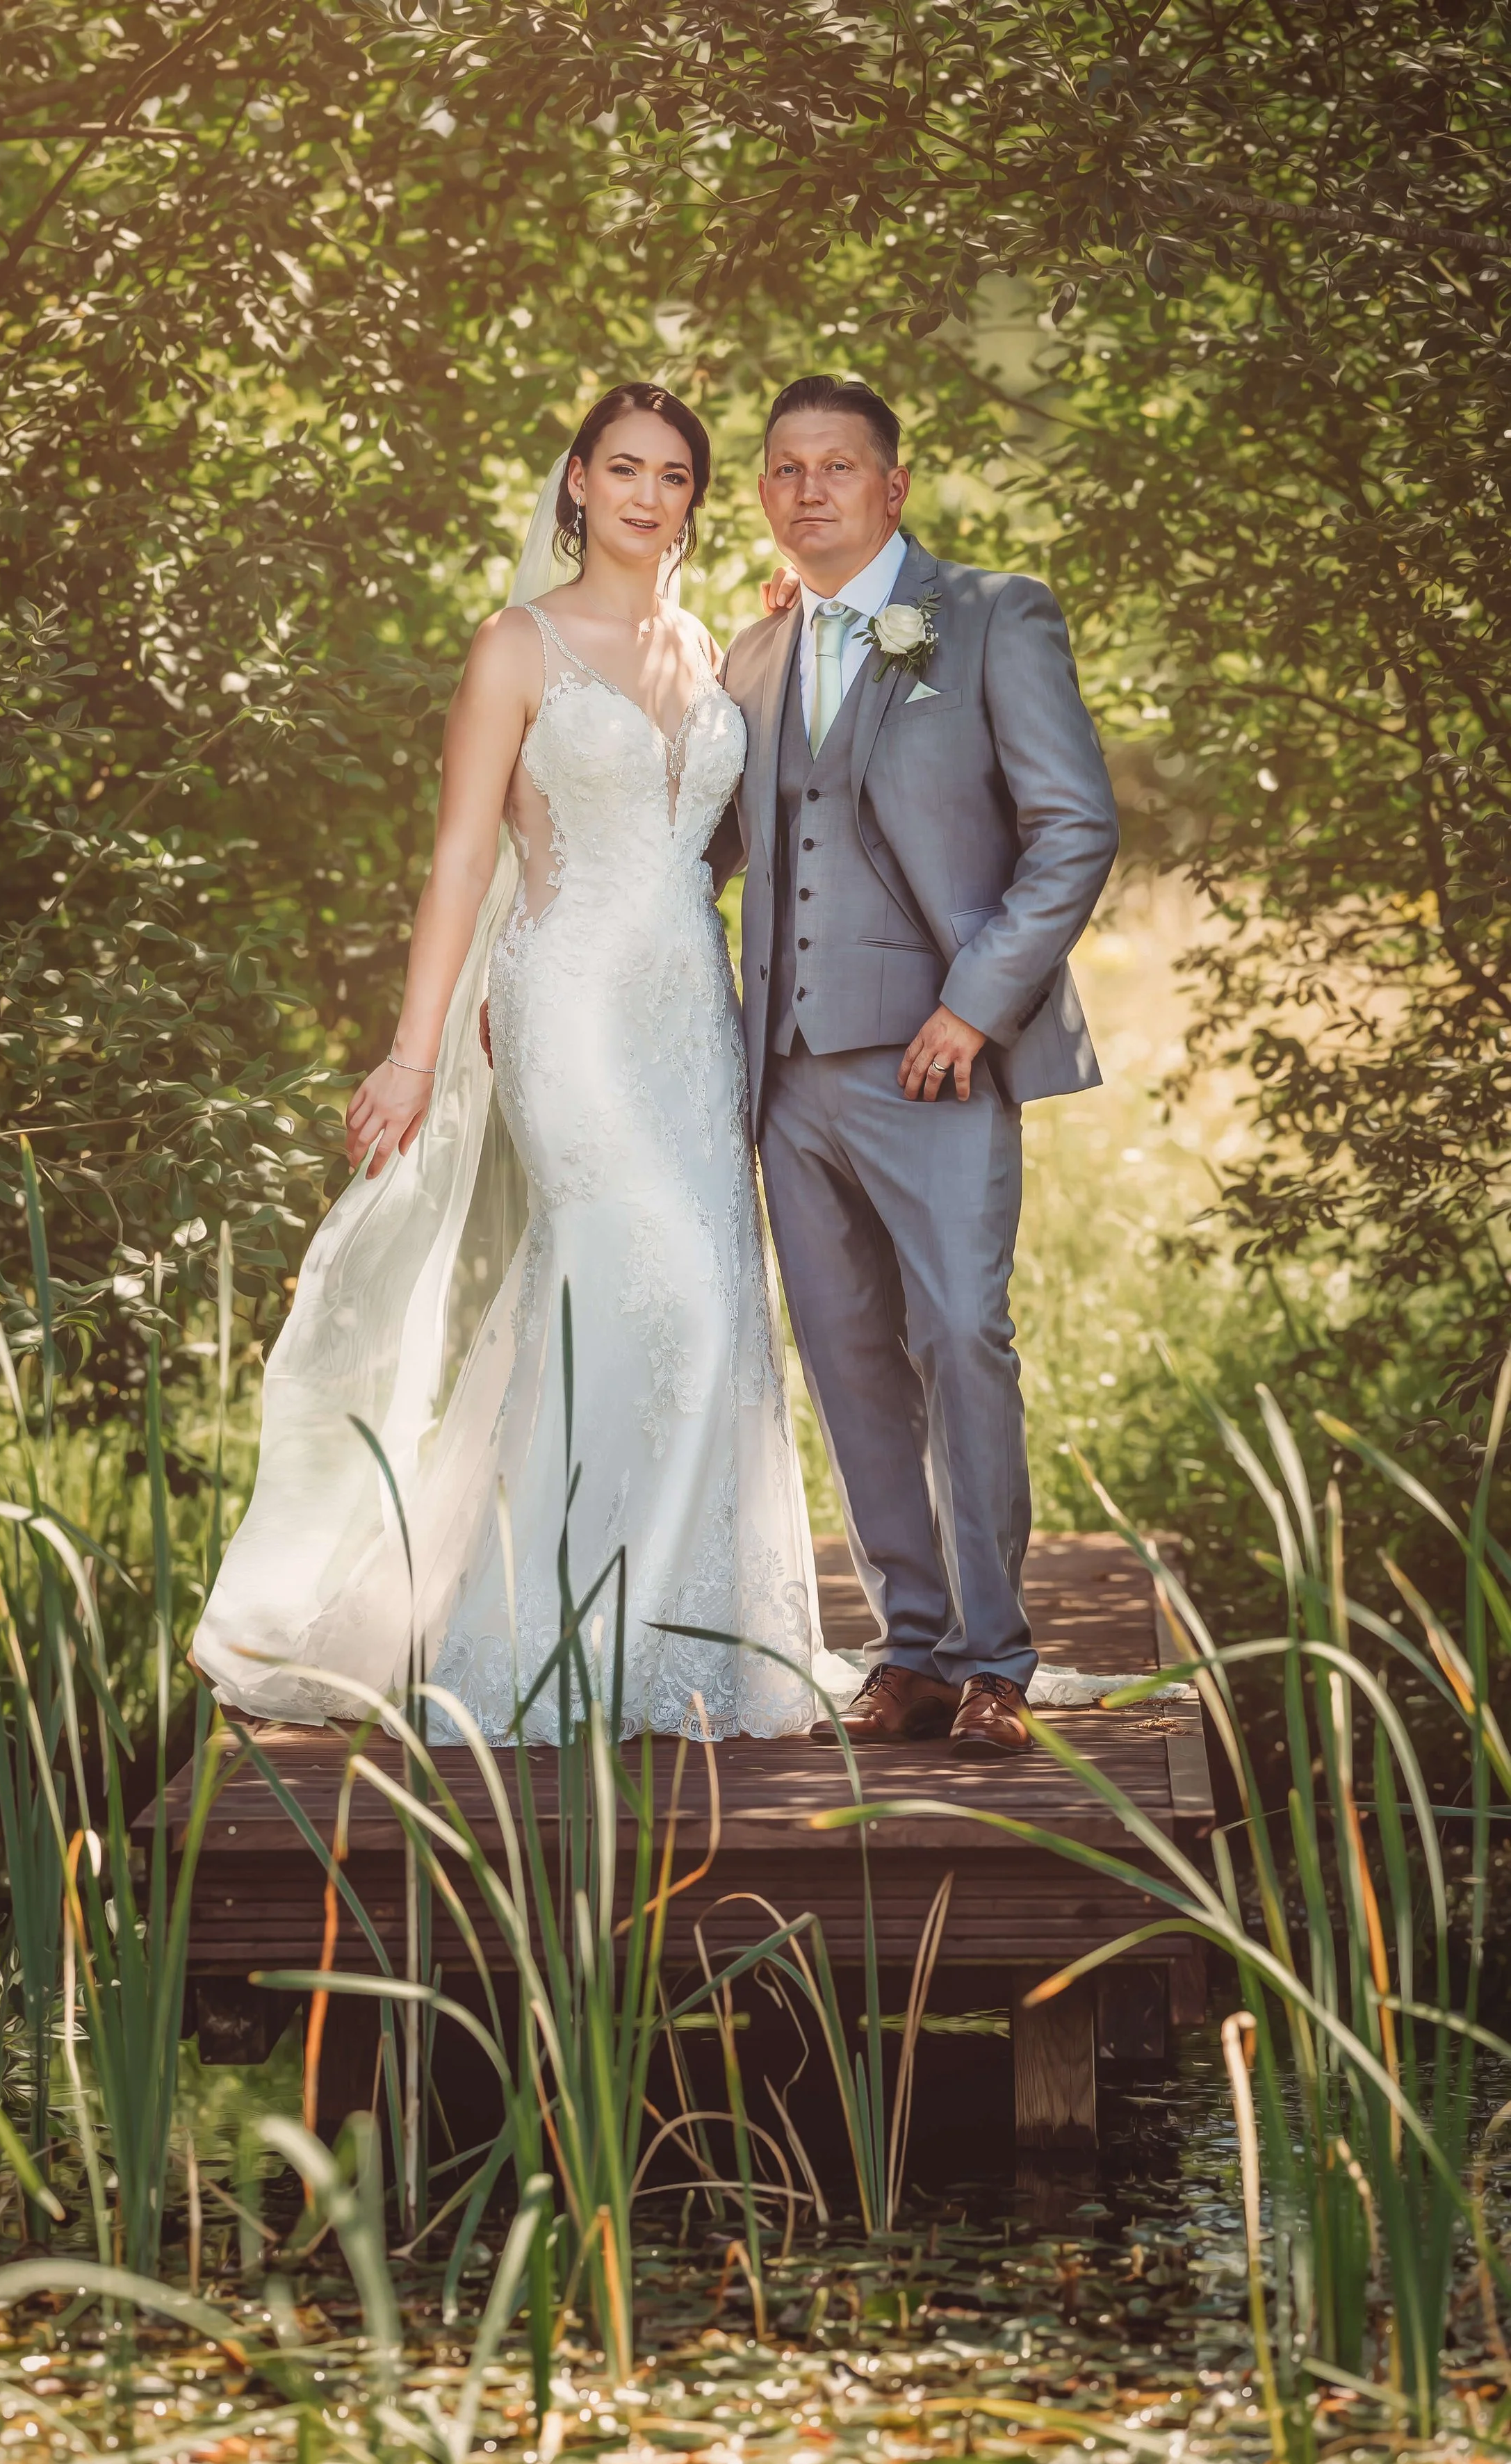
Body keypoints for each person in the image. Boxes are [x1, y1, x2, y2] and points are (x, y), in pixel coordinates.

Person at [194, 384, 840, 1741]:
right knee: (636, 1281)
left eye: (672, 474)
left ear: (692, 498)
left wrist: (786, 637)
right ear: (576, 484)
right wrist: (413, 1049)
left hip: (688, 1015)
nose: (646, 494)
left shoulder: (710, 649)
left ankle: (670, 1637)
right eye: (622, 467)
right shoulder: (516, 645)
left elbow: (723, 834)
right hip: (566, 1007)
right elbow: (460, 856)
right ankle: (552, 1637)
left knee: (699, 1300)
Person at [709, 375, 1118, 1752]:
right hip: (784, 1072)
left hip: (934, 1062)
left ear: (891, 486)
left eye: (836, 465)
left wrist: (976, 1003)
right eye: (782, 467)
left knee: (958, 1334)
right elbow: (701, 844)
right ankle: (914, 1647)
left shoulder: (992, 614)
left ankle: (997, 1656)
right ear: (762, 495)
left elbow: (1072, 828)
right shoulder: (750, 660)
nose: (807, 487)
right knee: (846, 1357)